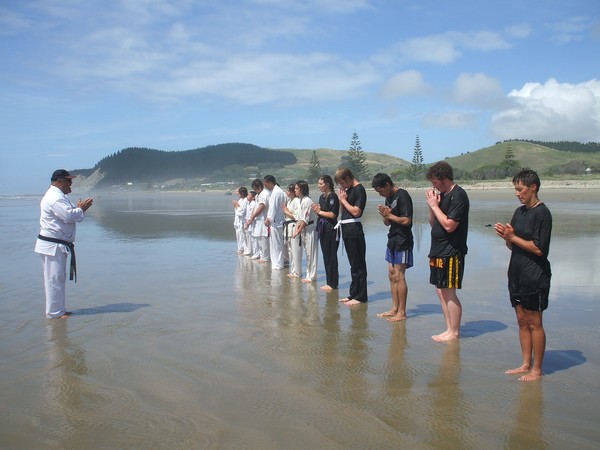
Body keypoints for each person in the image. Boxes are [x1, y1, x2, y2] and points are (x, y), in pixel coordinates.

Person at [495, 169, 552, 382]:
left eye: (520, 189)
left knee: (534, 322)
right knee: (521, 320)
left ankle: (537, 369)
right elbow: (513, 245)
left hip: (535, 275)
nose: (517, 193)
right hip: (516, 274)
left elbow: (539, 249)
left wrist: (513, 237)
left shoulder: (542, 213)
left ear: (533, 188)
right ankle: (525, 363)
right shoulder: (519, 212)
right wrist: (507, 237)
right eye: (516, 189)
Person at [35, 169, 93, 318]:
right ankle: (54, 312)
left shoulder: (58, 196)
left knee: (58, 278)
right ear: (59, 182)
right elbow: (68, 216)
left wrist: (77, 209)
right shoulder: (55, 197)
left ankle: (59, 310)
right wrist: (81, 209)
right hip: (52, 245)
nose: (71, 183)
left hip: (57, 244)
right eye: (69, 181)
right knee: (53, 279)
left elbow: (68, 213)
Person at [425, 161, 469, 341]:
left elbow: (450, 225)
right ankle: (449, 328)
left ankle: (455, 331)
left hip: (451, 250)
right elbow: (433, 223)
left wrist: (435, 206)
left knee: (449, 292)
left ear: (443, 179)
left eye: (434, 182)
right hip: (437, 250)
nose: (433, 186)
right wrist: (432, 206)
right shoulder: (442, 196)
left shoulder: (458, 195)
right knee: (440, 290)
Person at [372, 173, 414, 322]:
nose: (381, 194)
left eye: (381, 191)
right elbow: (387, 223)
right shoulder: (388, 198)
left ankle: (402, 312)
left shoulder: (403, 196)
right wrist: (385, 215)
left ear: (387, 185)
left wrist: (390, 215)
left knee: (399, 275)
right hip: (392, 239)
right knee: (391, 274)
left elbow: (407, 220)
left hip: (403, 240)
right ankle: (394, 308)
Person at [335, 168, 368, 306]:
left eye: (343, 182)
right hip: (346, 228)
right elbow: (343, 211)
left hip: (355, 229)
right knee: (353, 265)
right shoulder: (347, 190)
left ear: (349, 177)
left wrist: (344, 200)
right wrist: (341, 200)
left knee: (358, 264)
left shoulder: (359, 189)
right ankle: (353, 293)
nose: (342, 186)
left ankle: (361, 296)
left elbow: (356, 211)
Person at [311, 174, 339, 291]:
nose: (319, 186)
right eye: (319, 184)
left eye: (321, 184)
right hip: (323, 227)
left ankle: (333, 283)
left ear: (327, 184)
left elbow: (332, 214)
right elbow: (321, 212)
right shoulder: (322, 197)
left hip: (331, 228)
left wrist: (319, 211)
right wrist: (317, 211)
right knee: (326, 255)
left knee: (331, 256)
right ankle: (329, 282)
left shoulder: (332, 196)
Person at [292, 181, 318, 283]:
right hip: (304, 229)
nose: (295, 190)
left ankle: (312, 276)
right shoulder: (300, 200)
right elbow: (299, 219)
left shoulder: (307, 201)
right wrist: (297, 230)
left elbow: (304, 219)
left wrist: (297, 232)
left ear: (301, 189)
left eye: (296, 188)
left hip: (310, 228)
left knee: (311, 253)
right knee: (307, 253)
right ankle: (308, 274)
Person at [263, 175, 287, 270]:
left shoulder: (277, 193)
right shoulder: (276, 191)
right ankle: (276, 263)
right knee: (274, 244)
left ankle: (278, 264)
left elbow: (273, 208)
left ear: (269, 182)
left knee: (277, 244)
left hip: (277, 222)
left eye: (265, 183)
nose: (265, 185)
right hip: (276, 221)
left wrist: (268, 219)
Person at [246, 179, 270, 262]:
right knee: (258, 237)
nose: (255, 191)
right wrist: (251, 217)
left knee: (263, 238)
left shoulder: (265, 194)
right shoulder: (257, 195)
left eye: (256, 189)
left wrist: (252, 217)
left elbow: (261, 207)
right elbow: (256, 207)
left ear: (260, 187)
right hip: (257, 219)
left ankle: (266, 256)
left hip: (263, 218)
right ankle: (262, 255)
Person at [283, 183, 302, 278]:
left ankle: (297, 272)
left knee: (295, 250)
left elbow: (297, 216)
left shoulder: (297, 201)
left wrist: (286, 211)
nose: (287, 192)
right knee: (290, 250)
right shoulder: (290, 201)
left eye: (288, 190)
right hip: (288, 226)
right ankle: (293, 270)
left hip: (294, 225)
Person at [233, 187, 248, 254]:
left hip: (242, 221)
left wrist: (236, 206)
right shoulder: (240, 200)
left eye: (238, 192)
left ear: (241, 193)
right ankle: (240, 248)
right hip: (238, 221)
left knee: (242, 236)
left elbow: (241, 212)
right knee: (239, 235)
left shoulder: (245, 200)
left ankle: (242, 249)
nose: (237, 194)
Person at [244, 190, 257, 258]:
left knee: (253, 239)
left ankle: (254, 252)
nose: (247, 196)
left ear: (253, 197)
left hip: (251, 222)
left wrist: (248, 222)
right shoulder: (249, 203)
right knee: (250, 238)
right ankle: (252, 251)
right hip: (249, 221)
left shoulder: (253, 203)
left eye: (249, 195)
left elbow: (251, 214)